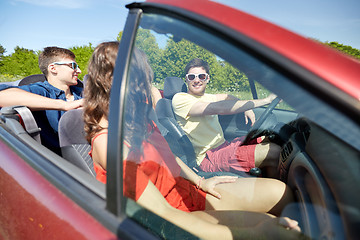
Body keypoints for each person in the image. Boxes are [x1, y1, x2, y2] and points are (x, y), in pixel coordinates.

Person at [83, 42, 303, 239]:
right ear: (113, 82)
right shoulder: (110, 145)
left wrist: (200, 180)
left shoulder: (136, 123)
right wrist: (258, 234)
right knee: (270, 226)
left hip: (190, 191)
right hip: (176, 214)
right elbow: (165, 218)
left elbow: (170, 158)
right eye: (142, 81)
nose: (148, 89)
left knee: (281, 194)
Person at [172, 58, 280, 177]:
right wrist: (265, 100)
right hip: (208, 158)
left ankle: (269, 184)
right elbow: (216, 108)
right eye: (192, 77)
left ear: (207, 78)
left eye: (201, 76)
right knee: (274, 151)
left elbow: (228, 96)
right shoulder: (180, 99)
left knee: (269, 139)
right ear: (187, 79)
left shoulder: (209, 97)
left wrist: (247, 108)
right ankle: (280, 191)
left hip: (225, 146)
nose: (196, 80)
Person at [0, 46, 83, 154]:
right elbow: (2, 95)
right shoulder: (41, 91)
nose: (79, 71)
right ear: (53, 68)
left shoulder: (83, 91)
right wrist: (64, 105)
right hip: (63, 161)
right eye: (73, 66)